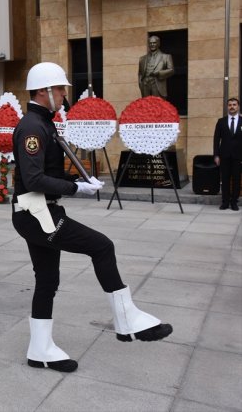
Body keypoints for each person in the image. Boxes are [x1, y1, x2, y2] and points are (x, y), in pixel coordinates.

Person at [12, 62, 172, 373]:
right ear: (44, 91)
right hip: (37, 213)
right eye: (60, 89)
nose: (63, 94)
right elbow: (33, 179)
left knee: (47, 280)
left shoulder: (43, 122)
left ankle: (40, 349)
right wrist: (76, 187)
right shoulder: (33, 127)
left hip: (40, 211)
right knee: (102, 246)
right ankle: (127, 320)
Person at [213, 97, 242, 210]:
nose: (232, 107)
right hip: (224, 156)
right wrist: (216, 155)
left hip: (238, 156)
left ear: (238, 106)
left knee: (236, 179)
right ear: (227, 107)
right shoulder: (221, 121)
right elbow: (216, 139)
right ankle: (225, 202)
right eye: (230, 105)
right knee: (224, 179)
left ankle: (234, 202)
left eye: (234, 105)